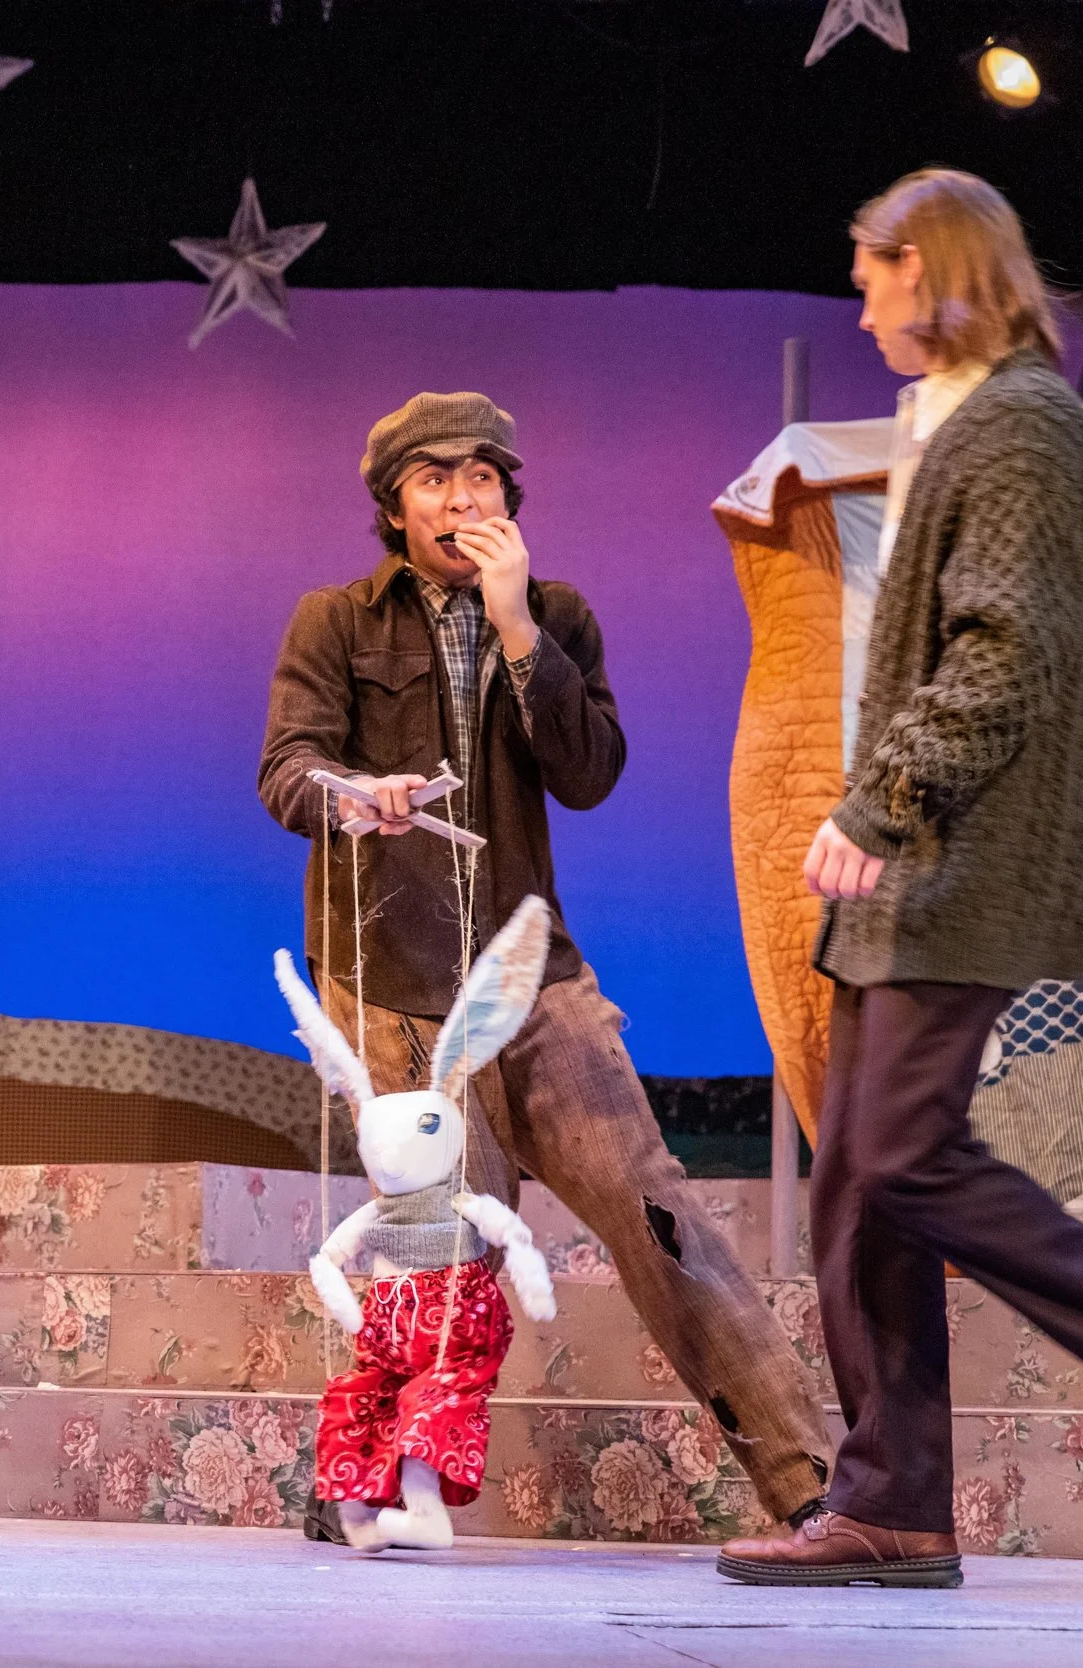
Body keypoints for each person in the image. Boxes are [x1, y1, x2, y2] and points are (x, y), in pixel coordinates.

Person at [718, 170, 1083, 1587]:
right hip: (920, 866)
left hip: (970, 852)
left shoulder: (1020, 422)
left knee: (903, 1155)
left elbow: (1005, 652)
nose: (860, 307)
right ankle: (896, 1502)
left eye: (873, 278)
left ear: (931, 270)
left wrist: (882, 804)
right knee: (856, 1186)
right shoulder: (951, 419)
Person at [261, 392, 836, 1540]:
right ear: (394, 506)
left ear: (508, 499)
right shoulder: (336, 621)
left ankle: (811, 1489)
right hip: (393, 980)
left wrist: (517, 624)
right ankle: (370, 1486)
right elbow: (286, 771)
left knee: (655, 1211)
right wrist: (355, 794)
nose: (460, 497)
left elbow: (588, 773)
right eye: (433, 479)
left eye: (480, 477)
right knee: (439, 1246)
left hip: (528, 974)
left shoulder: (554, 611)